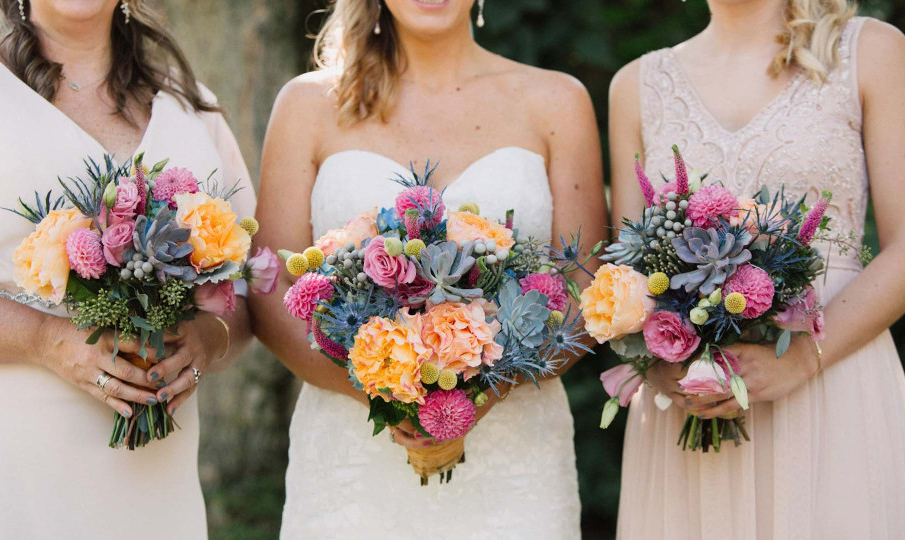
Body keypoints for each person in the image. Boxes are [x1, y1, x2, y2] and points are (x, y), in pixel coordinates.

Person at [249, 0, 606, 537]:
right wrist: (391, 399)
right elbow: (272, 293)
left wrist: (478, 396)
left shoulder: (558, 101)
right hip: (352, 464)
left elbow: (586, 290)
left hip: (516, 461)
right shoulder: (308, 104)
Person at [0, 1, 254, 538]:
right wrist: (45, 339)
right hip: (6, 463)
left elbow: (252, 285)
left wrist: (205, 340)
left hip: (154, 473)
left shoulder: (192, 105)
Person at [609, 0, 905, 537]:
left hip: (833, 381)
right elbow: (626, 277)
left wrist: (802, 362)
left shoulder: (869, 50)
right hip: (686, 405)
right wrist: (662, 365)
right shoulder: (637, 84)